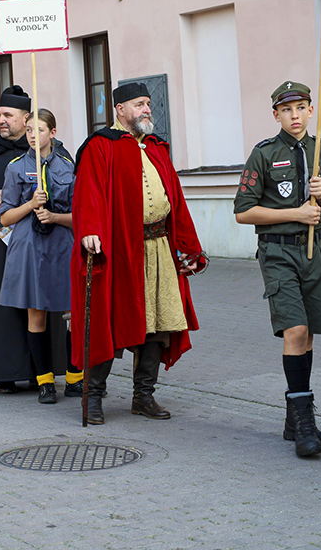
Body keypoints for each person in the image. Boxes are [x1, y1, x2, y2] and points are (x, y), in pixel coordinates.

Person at [71, 82, 206, 425]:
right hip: (118, 250)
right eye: (139, 104)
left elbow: (175, 198)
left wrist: (190, 247)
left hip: (158, 246)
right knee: (111, 320)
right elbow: (89, 192)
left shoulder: (156, 148)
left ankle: (143, 397)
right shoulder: (100, 147)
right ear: (120, 110)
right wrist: (90, 229)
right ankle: (94, 397)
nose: (147, 109)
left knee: (157, 323)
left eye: (147, 104)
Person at [233, 81, 321, 458]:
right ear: (276, 114)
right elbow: (243, 211)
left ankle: (295, 418)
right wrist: (294, 213)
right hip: (278, 253)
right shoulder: (264, 154)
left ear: (311, 111)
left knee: (308, 334)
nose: (295, 116)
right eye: (287, 110)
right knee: (294, 330)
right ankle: (305, 424)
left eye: (301, 108)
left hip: (314, 253)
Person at [0, 85, 67, 391]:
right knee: (2, 310)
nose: (1, 120)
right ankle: (5, 370)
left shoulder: (51, 152)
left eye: (8, 114)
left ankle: (44, 371)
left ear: (25, 117)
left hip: (43, 243)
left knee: (42, 305)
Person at [0, 109, 81, 404]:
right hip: (29, 247)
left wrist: (55, 216)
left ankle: (75, 377)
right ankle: (45, 381)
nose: (34, 136)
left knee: (73, 312)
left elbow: (81, 216)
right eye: (30, 130)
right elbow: (5, 217)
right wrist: (30, 204)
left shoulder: (68, 168)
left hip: (62, 247)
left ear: (53, 133)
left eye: (40, 130)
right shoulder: (16, 168)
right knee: (37, 313)